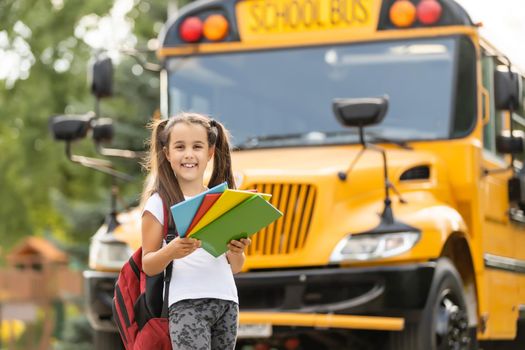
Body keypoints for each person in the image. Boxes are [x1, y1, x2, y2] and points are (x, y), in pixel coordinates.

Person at [140, 112, 251, 350]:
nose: (189, 154)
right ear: (167, 154)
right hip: (187, 304)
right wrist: (171, 251)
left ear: (210, 152)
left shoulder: (222, 201)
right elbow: (148, 265)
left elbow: (236, 266)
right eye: (180, 147)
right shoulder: (159, 203)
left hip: (227, 303)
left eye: (197, 146)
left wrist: (237, 251)